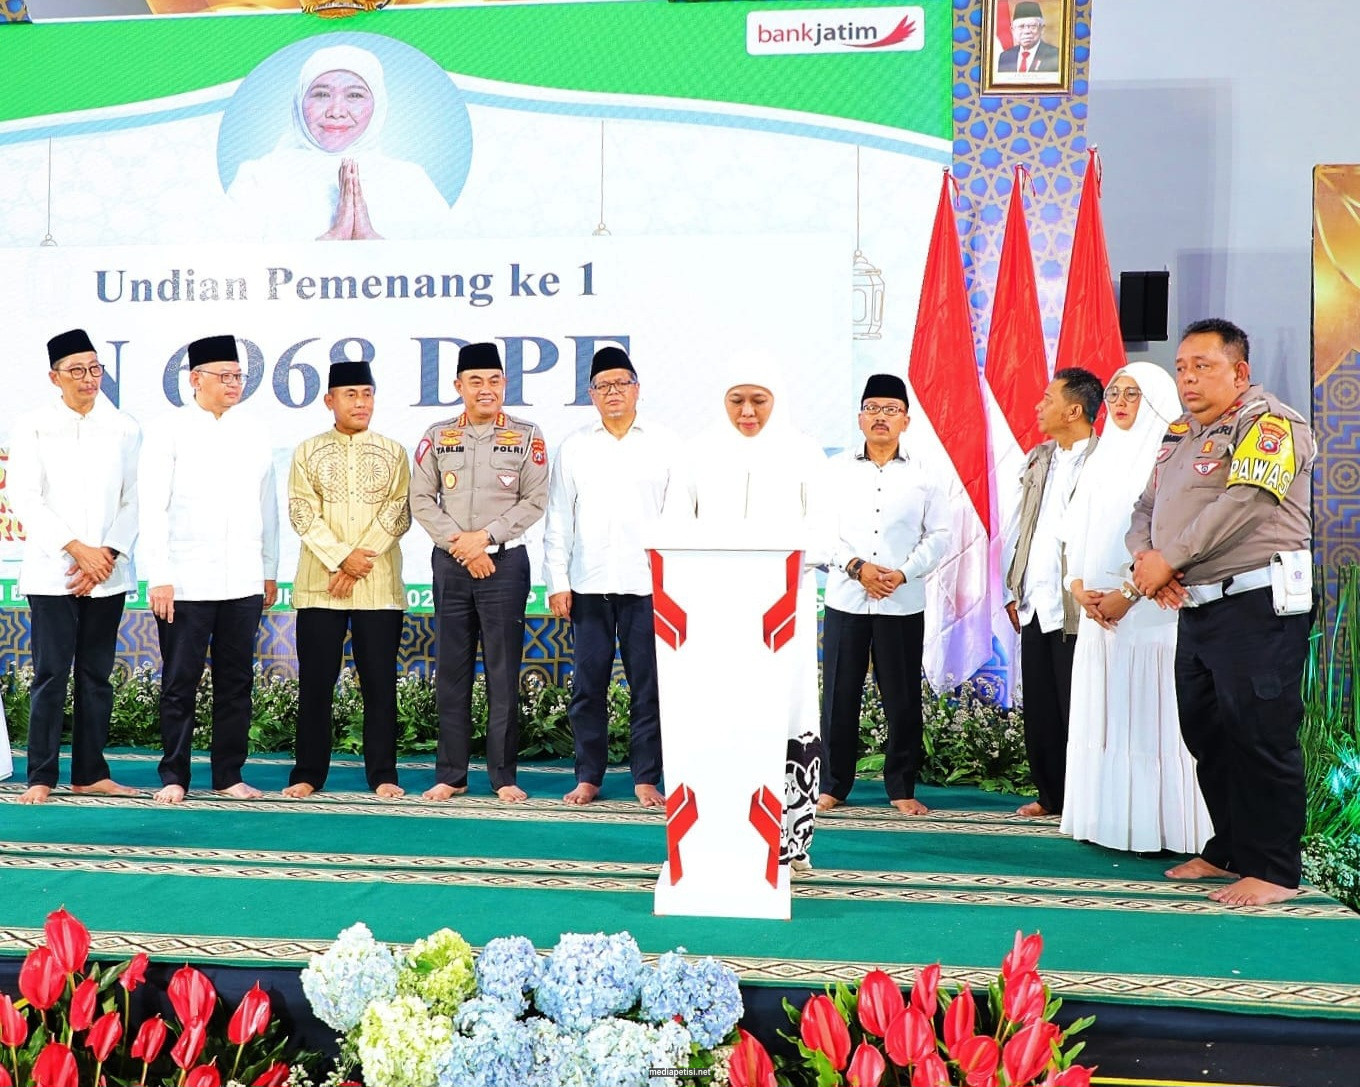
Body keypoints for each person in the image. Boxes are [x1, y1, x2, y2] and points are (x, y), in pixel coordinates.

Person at [1129, 319, 1314, 906]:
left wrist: (1170, 559)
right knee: (1207, 732)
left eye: (1203, 366)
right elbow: (1145, 508)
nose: (1188, 378)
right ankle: (1230, 849)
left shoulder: (1272, 424)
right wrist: (1146, 560)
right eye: (1182, 367)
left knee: (1260, 735)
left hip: (1258, 605)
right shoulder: (1180, 433)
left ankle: (1276, 870)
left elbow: (1246, 503)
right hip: (1199, 606)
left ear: (1240, 372)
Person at [680, 355, 830, 872]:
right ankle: (720, 837)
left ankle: (787, 841)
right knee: (721, 713)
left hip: (783, 612)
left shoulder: (803, 452)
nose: (747, 412)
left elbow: (824, 534)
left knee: (786, 713)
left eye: (758, 401)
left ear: (776, 400)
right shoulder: (697, 452)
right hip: (715, 615)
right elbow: (675, 528)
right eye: (737, 400)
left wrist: (769, 560)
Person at [1060, 363, 1212, 853]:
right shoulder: (1100, 457)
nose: (1121, 403)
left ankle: (1161, 827)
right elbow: (1074, 532)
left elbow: (1171, 538)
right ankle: (1106, 822)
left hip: (1150, 611)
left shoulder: (1170, 460)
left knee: (1153, 716)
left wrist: (1127, 593)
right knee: (1108, 713)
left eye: (1133, 394)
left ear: (1157, 401)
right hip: (1098, 613)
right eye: (1114, 394)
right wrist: (1078, 585)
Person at [139, 334, 279, 804]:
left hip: (242, 578)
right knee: (180, 683)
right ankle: (174, 776)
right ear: (196, 379)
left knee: (236, 683)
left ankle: (228, 775)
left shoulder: (255, 431)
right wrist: (159, 574)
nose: (234, 384)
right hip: (185, 581)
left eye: (238, 376)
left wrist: (268, 568)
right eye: (225, 376)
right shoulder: (168, 430)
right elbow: (152, 507)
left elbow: (267, 506)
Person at [411, 341, 549, 804]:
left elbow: (534, 500)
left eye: (493, 380)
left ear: (504, 384)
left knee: (502, 672)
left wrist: (485, 538)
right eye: (475, 381)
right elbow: (421, 499)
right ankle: (451, 774)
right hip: (452, 563)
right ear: (458, 386)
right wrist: (463, 545)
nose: (485, 388)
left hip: (504, 564)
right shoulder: (438, 435)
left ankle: (503, 776)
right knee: (451, 672)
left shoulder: (527, 435)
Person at [6, 328, 140, 804]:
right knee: (51, 674)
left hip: (107, 571)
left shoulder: (124, 427)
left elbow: (135, 498)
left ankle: (90, 772)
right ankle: (41, 774)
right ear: (54, 377)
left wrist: (106, 554)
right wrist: (76, 549)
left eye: (95, 368)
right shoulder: (34, 426)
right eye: (77, 370)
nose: (89, 378)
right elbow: (24, 496)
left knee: (96, 676)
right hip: (53, 571)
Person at [543, 346, 677, 809]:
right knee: (587, 687)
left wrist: (674, 583)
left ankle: (646, 778)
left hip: (648, 586)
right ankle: (588, 777)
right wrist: (557, 581)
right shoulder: (575, 446)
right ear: (591, 395)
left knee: (649, 686)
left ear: (637, 389)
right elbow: (559, 518)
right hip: (588, 585)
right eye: (603, 385)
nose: (613, 391)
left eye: (621, 383)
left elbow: (679, 518)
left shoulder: (664, 444)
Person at [818, 374, 949, 816]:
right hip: (846, 599)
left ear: (906, 421)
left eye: (891, 410)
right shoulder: (834, 470)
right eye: (872, 408)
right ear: (859, 418)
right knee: (839, 697)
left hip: (901, 601)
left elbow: (940, 535)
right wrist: (857, 568)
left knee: (902, 699)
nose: (881, 417)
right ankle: (833, 784)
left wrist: (903, 572)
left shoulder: (926, 474)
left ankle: (901, 787)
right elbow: (820, 531)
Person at [284, 361, 411, 800]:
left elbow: (399, 511)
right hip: (321, 585)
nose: (361, 403)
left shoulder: (394, 451)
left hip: (378, 587)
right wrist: (341, 558)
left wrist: (357, 561)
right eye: (351, 394)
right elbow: (302, 512)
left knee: (380, 684)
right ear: (329, 401)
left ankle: (383, 774)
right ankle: (307, 773)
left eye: (367, 393)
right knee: (316, 684)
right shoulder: (308, 451)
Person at [1004, 367, 1102, 819]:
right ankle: (1051, 795)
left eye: (1048, 399)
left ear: (1074, 410)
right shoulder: (1039, 457)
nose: (1039, 407)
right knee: (1041, 705)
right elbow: (1019, 526)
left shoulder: (1104, 460)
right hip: (1035, 601)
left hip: (1076, 607)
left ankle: (1084, 799)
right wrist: (1012, 585)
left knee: (1077, 705)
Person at [227, 44, 449, 241]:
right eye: (322, 95)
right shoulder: (258, 178)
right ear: (299, 101)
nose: (336, 111)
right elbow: (229, 267)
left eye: (355, 96)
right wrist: (331, 242)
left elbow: (450, 265)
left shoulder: (410, 181)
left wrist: (372, 243)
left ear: (379, 105)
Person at [997, 1, 1061, 73]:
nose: (1026, 31)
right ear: (1013, 30)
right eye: (1021, 26)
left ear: (1042, 29)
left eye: (1032, 26)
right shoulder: (1005, 57)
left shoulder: (1055, 55)